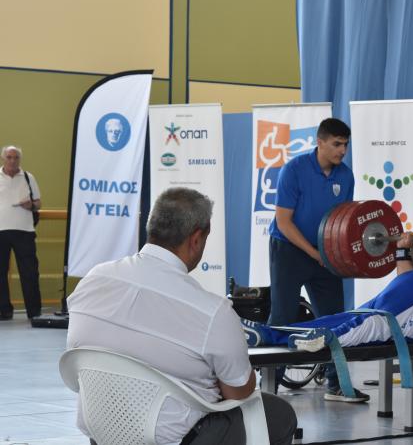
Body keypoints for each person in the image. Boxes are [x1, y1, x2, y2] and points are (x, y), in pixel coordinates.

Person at [66, 188, 297, 445]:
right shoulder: (212, 312)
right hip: (177, 439)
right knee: (278, 415)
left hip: (104, 432)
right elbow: (239, 392)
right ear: (196, 239)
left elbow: (78, 360)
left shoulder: (94, 280)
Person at [242, 233, 413, 349]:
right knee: (356, 316)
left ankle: (285, 336)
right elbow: (409, 279)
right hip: (412, 289)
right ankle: (270, 333)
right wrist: (401, 248)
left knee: (369, 323)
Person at [267, 117, 363, 402]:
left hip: (325, 253)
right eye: (336, 144)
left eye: (345, 144)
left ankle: (336, 384)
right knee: (283, 317)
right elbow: (283, 222)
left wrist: (337, 254)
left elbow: (342, 220)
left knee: (335, 319)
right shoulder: (294, 170)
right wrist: (313, 253)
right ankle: (267, 388)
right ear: (319, 142)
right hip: (289, 249)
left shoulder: (345, 176)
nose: (342, 150)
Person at [0, 145, 42, 320]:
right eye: (9, 157)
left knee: (30, 272)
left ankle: (34, 312)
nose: (12, 160)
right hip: (0, 231)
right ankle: (4, 311)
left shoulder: (28, 177)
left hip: (24, 230)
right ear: (3, 158)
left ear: (20, 159)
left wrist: (30, 205)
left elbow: (38, 203)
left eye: (16, 157)